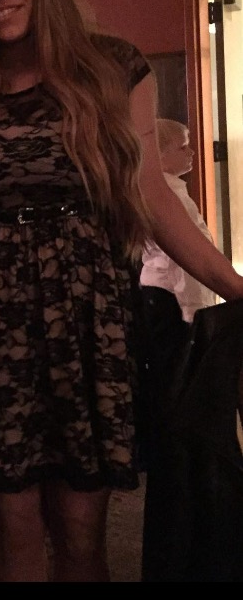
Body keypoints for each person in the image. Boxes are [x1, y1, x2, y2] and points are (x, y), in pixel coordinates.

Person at [0, 0, 243, 582]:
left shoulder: (112, 67)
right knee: (15, 532)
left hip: (89, 329)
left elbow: (151, 195)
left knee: (81, 536)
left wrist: (236, 287)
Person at [139, 117, 219, 582]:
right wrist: (196, 311)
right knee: (177, 383)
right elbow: (182, 260)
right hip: (171, 300)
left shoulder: (172, 191)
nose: (191, 153)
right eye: (183, 146)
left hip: (167, 297)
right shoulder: (166, 195)